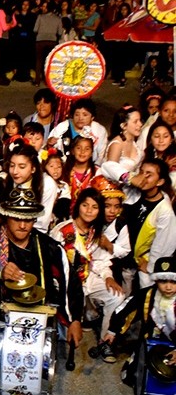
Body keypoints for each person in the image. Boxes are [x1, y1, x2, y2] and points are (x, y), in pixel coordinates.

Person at [0, 187, 84, 375]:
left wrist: (74, 320)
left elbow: (68, 282)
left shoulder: (49, 247)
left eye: (28, 219)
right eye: (17, 218)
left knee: (33, 367)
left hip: (36, 310)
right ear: (6, 216)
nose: (23, 225)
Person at [49, 188, 124, 355]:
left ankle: (105, 342)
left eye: (95, 207)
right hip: (66, 283)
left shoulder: (96, 233)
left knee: (116, 295)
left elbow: (100, 262)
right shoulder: (62, 231)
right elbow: (52, 264)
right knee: (63, 335)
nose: (89, 210)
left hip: (87, 277)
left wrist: (108, 277)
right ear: (78, 206)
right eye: (85, 205)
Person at [101, 256, 176, 390]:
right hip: (151, 340)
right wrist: (112, 330)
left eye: (173, 281)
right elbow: (124, 309)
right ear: (156, 280)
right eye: (163, 281)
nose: (168, 287)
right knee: (135, 374)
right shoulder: (147, 294)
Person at [123, 158, 176, 289]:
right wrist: (129, 178)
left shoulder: (165, 210)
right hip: (124, 257)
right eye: (142, 172)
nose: (143, 177)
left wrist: (151, 266)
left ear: (160, 181)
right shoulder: (133, 192)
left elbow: (164, 244)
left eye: (149, 174)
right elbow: (108, 167)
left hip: (144, 262)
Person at [4, 144, 59, 233]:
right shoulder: (7, 181)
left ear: (33, 168)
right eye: (12, 165)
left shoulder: (47, 184)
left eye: (22, 167)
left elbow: (42, 222)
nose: (15, 171)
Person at [99, 105, 145, 204]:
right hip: (115, 196)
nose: (140, 124)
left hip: (132, 193)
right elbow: (111, 173)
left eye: (140, 120)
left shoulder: (135, 144)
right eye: (135, 121)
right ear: (123, 125)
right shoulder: (116, 145)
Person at [48, 98, 108, 165]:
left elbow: (101, 156)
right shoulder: (62, 128)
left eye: (85, 115)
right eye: (77, 114)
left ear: (92, 117)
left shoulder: (99, 131)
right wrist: (49, 144)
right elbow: (49, 151)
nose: (80, 118)